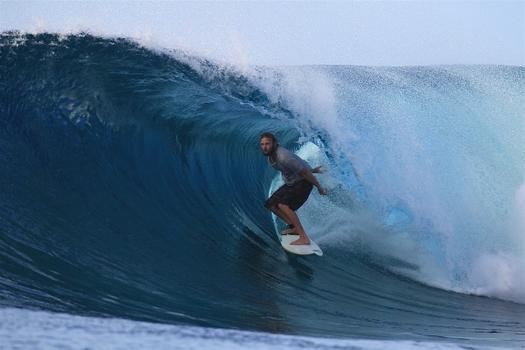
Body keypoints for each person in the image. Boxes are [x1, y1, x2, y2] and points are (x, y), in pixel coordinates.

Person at [260, 132, 327, 245]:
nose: (265, 147)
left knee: (283, 205)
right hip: (293, 182)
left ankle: (303, 237)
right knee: (270, 204)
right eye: (262, 144)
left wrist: (319, 187)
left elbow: (304, 172)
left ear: (274, 144)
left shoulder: (283, 157)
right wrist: (314, 170)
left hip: (303, 183)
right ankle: (293, 227)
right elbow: (298, 167)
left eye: (268, 143)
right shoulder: (271, 157)